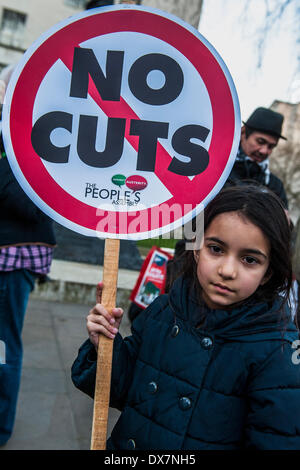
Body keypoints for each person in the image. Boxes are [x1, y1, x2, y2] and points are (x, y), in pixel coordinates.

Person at [71, 185, 300, 450]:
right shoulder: (163, 311)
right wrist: (106, 347)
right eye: (216, 249)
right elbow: (123, 390)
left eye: (249, 259)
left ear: (268, 273)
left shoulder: (279, 351)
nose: (227, 270)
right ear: (195, 248)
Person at [0, 137, 56, 446]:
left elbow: (31, 207)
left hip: (12, 264)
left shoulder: (25, 153)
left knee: (4, 345)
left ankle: (1, 425)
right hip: (9, 262)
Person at [227, 107, 288, 208]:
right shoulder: (217, 168)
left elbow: (283, 221)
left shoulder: (275, 185)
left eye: (271, 146)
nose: (264, 151)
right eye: (260, 141)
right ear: (243, 133)